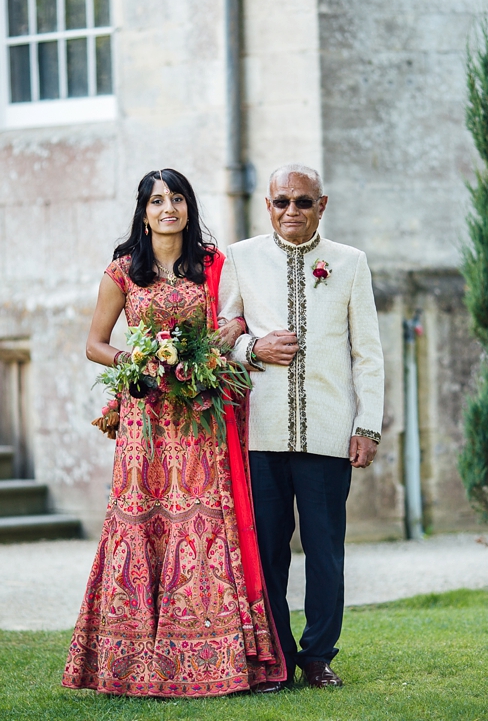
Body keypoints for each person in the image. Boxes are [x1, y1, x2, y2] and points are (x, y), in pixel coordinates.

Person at [62, 168, 287, 697]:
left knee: (207, 522)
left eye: (178, 199)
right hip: (144, 420)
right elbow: (95, 343)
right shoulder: (122, 272)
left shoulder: (212, 266)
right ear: (143, 212)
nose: (169, 208)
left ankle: (225, 657)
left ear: (189, 207)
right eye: (158, 200)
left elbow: (234, 321)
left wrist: (219, 340)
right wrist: (136, 359)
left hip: (199, 417)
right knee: (144, 521)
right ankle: (131, 661)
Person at [218, 164, 385, 689]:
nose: (293, 210)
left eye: (304, 202)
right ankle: (277, 658)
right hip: (260, 434)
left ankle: (318, 656)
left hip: (330, 432)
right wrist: (252, 348)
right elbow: (219, 337)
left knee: (325, 547)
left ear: (322, 205)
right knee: (266, 550)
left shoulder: (350, 264)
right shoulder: (241, 259)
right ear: (267, 206)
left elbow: (369, 356)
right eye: (283, 201)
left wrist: (368, 425)